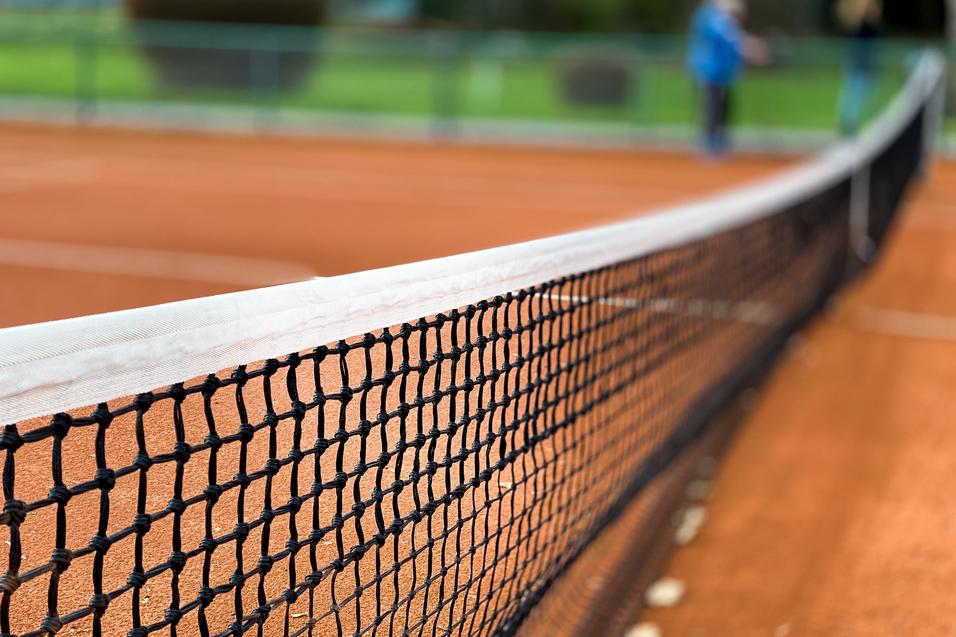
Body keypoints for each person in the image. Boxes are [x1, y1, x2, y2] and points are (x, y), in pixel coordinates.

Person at [687, 0, 767, 157]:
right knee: (712, 108)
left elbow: (734, 43)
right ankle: (709, 143)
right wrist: (750, 47)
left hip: (724, 76)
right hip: (711, 73)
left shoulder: (726, 22)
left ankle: (720, 141)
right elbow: (730, 38)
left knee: (723, 108)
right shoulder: (713, 18)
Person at [836, 0, 882, 136]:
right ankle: (849, 124)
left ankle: (852, 124)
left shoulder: (854, 21)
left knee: (856, 94)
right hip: (860, 62)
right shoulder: (862, 22)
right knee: (854, 94)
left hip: (862, 62)